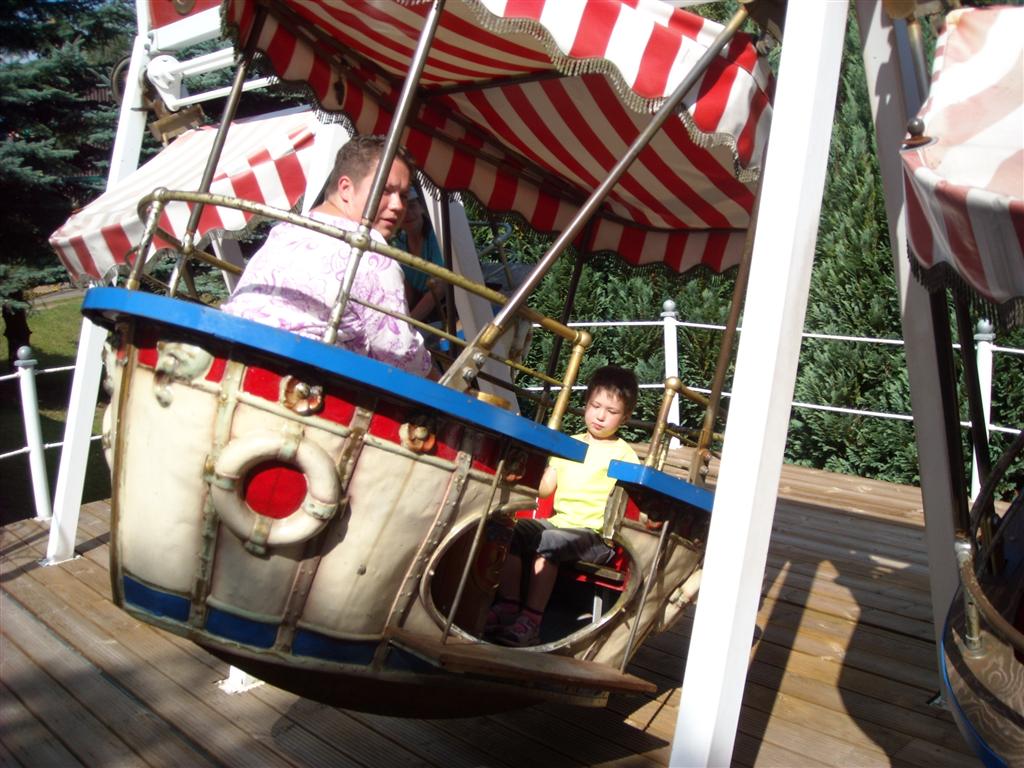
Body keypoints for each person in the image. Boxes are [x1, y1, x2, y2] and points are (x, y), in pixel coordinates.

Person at [220, 135, 433, 377]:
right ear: (346, 188)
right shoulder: (368, 253)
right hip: (298, 376)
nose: (398, 206)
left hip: (231, 354)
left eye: (403, 195)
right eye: (386, 190)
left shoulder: (287, 230)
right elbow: (401, 358)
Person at [487, 365, 640, 647]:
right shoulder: (570, 445)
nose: (600, 416)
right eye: (595, 406)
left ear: (625, 417)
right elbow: (545, 487)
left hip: (595, 536)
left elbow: (630, 504)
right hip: (559, 524)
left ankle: (531, 621)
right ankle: (509, 605)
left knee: (550, 541)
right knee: (509, 529)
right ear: (586, 404)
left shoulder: (624, 456)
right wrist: (519, 471)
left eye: (611, 411)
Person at [391, 186, 445, 323]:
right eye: (403, 210)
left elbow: (439, 288)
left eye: (412, 206)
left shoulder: (436, 236)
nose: (408, 213)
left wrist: (409, 322)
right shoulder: (399, 243)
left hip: (449, 305)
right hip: (425, 307)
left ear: (421, 208)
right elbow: (408, 288)